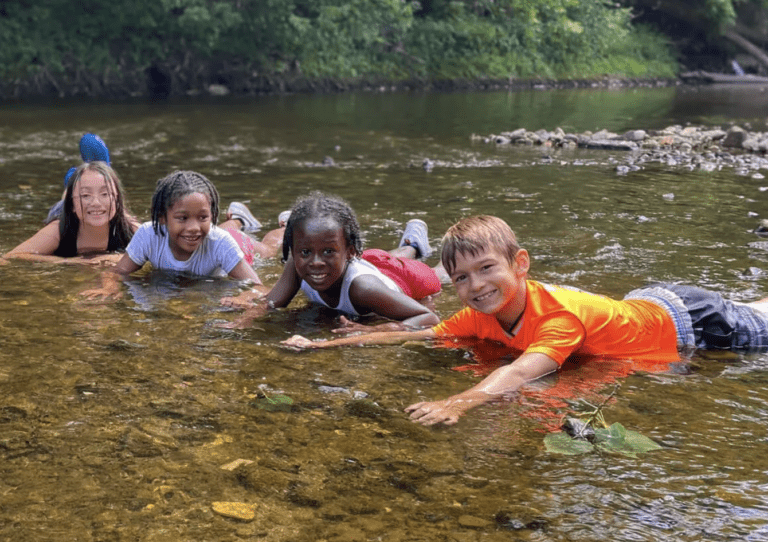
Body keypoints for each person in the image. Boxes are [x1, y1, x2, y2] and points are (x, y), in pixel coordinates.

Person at [282, 214, 768, 426]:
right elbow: (421, 335)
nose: (477, 286)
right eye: (463, 278)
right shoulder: (480, 314)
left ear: (521, 263)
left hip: (693, 324)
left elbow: (517, 373)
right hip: (645, 304)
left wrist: (459, 402)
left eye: (487, 269)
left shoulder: (553, 318)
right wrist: (327, 347)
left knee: (759, 326)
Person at [221, 191, 443, 330]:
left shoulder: (363, 288)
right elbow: (272, 302)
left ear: (350, 250)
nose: (315, 262)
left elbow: (428, 317)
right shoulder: (298, 264)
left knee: (440, 275)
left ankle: (413, 245)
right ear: (294, 250)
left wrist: (375, 330)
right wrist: (244, 321)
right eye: (305, 252)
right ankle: (411, 243)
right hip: (366, 264)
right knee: (388, 259)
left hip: (404, 279)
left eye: (327, 251)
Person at [80, 170, 267, 300]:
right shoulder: (149, 234)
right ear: (162, 217)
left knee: (270, 248)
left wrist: (245, 297)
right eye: (182, 218)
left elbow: (258, 287)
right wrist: (109, 288)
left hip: (240, 244)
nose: (193, 227)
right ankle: (237, 218)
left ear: (212, 215)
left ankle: (254, 222)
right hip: (214, 236)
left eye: (203, 217)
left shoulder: (221, 242)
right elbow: (117, 272)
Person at [3, 161, 139, 266]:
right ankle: (71, 186)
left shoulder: (131, 230)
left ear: (117, 199)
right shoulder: (59, 230)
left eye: (105, 193)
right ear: (73, 205)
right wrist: (67, 262)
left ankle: (94, 174)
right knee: (62, 205)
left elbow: (158, 249)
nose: (96, 202)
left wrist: (118, 257)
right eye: (85, 195)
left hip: (106, 211)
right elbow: (11, 256)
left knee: (114, 213)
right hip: (64, 210)